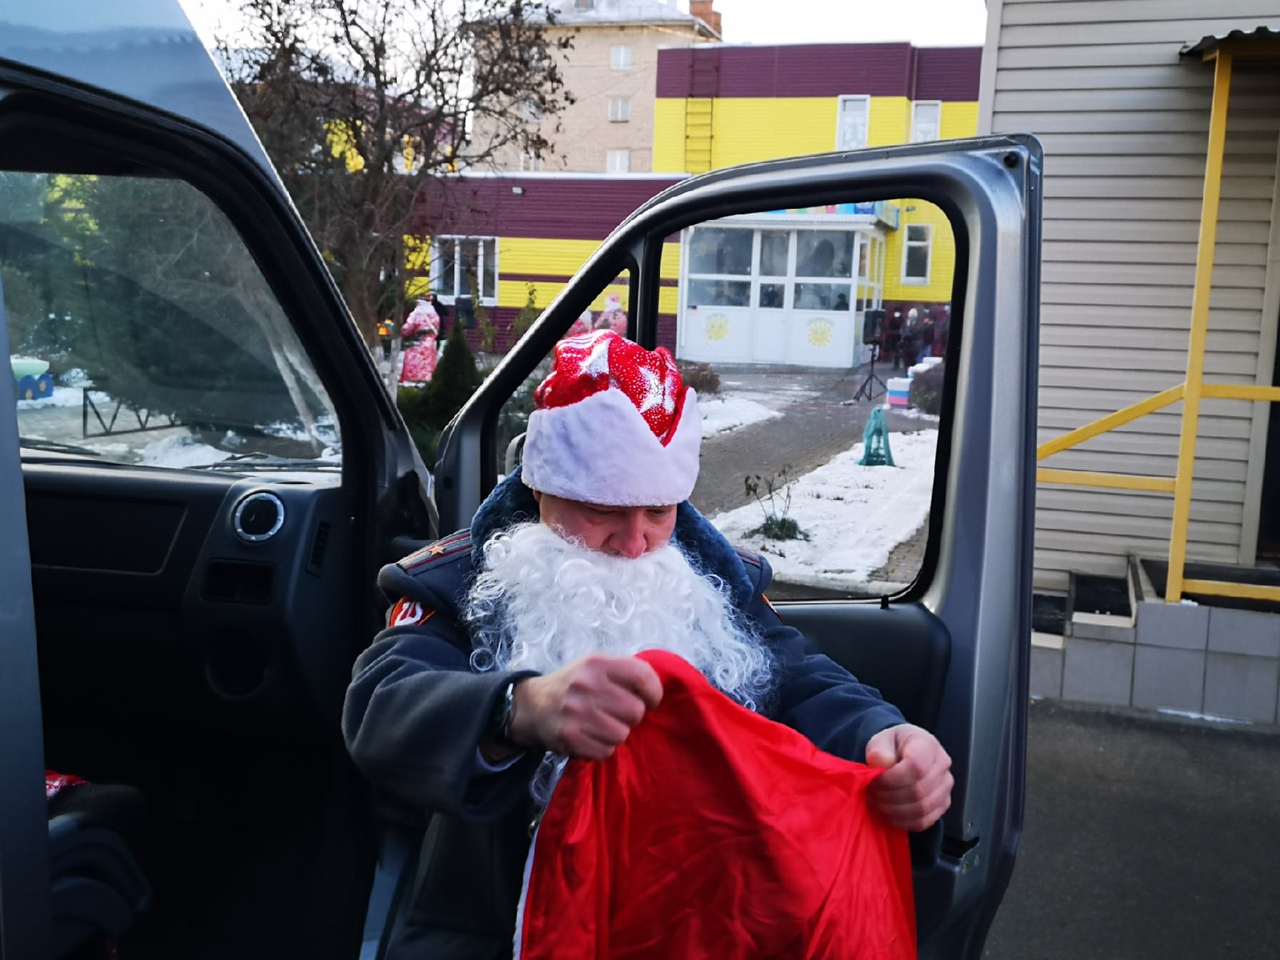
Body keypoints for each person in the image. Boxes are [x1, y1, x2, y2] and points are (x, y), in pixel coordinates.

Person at [343, 330, 952, 959]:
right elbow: (380, 705)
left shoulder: (715, 579)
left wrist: (881, 736)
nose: (635, 543)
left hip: (698, 914)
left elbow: (796, 676)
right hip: (503, 925)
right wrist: (519, 709)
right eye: (604, 510)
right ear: (542, 487)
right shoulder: (456, 582)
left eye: (659, 511)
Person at [397, 298, 441, 386]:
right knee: (427, 364)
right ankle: (425, 380)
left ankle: (413, 382)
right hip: (429, 345)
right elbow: (437, 329)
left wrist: (400, 332)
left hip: (416, 343)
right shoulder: (435, 315)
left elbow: (407, 329)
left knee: (415, 364)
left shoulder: (415, 315)